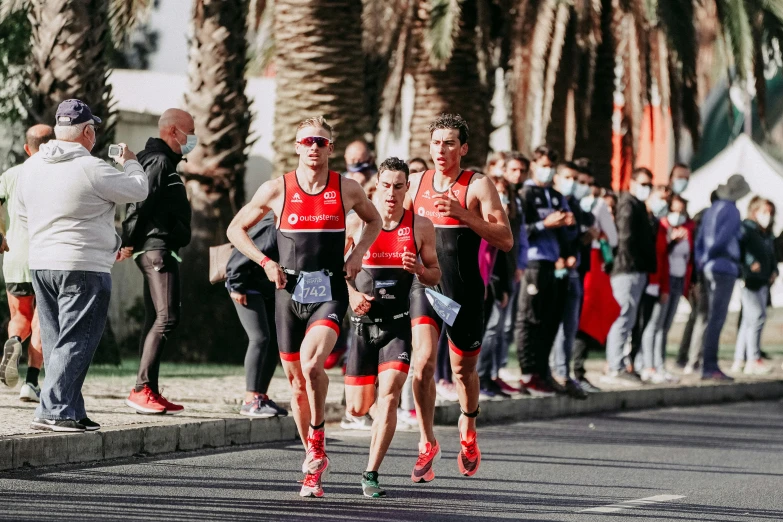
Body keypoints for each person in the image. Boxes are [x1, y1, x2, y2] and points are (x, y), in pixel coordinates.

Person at [227, 116, 382, 498]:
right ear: (297, 147)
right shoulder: (277, 188)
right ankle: (313, 456)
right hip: (287, 292)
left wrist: (358, 253)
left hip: (328, 289)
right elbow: (235, 229)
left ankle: (316, 439)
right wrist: (265, 263)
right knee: (297, 384)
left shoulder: (346, 188)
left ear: (331, 148)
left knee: (313, 366)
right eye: (307, 141)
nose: (314, 147)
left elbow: (373, 219)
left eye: (322, 142)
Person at [17, 99, 148, 432]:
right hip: (83, 265)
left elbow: (21, 215)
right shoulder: (92, 168)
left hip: (42, 263)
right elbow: (139, 189)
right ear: (88, 131)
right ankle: (55, 410)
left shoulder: (31, 168)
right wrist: (131, 162)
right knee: (77, 339)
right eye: (94, 130)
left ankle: (72, 408)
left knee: (56, 337)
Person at [405, 113, 512, 482]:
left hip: (464, 290)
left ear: (463, 148)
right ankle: (426, 440)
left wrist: (465, 215)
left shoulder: (478, 185)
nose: (441, 149)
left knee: (464, 370)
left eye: (449, 142)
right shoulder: (415, 182)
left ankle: (468, 430)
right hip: (426, 286)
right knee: (421, 363)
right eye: (436, 142)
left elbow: (505, 239)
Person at [343, 157, 440, 498]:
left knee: (389, 395)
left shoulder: (420, 227)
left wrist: (419, 270)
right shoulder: (356, 225)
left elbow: (435, 274)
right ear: (376, 187)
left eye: (400, 186)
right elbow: (337, 273)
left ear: (407, 189)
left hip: (397, 327)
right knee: (357, 406)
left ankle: (371, 473)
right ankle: (370, 414)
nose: (392, 193)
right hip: (361, 326)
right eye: (386, 185)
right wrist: (353, 294)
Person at [120, 108, 195, 415]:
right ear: (173, 132)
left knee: (155, 319)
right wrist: (127, 240)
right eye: (190, 131)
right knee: (167, 319)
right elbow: (141, 202)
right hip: (156, 249)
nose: (193, 138)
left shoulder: (164, 161)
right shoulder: (159, 161)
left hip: (159, 247)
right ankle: (141, 389)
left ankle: (148, 388)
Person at [515, 145, 575, 396]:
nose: (547, 171)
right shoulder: (525, 194)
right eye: (543, 165)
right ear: (534, 165)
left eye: (551, 166)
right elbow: (520, 231)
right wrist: (544, 224)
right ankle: (528, 372)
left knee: (551, 319)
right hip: (533, 262)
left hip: (555, 264)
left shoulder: (557, 196)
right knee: (530, 318)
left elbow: (568, 233)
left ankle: (543, 371)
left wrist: (569, 227)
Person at [0, 125, 54, 401]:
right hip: (47, 255)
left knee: (20, 316)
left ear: (26, 148)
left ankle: (12, 342)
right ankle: (31, 383)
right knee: (42, 319)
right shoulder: (54, 172)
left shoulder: (10, 175)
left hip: (15, 255)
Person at [225, 213, 289, 417]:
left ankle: (261, 396)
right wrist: (236, 286)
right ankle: (250, 399)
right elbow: (239, 255)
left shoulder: (293, 225)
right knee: (260, 337)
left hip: (267, 288)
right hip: (245, 286)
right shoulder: (271, 226)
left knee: (274, 341)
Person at [602, 168, 657, 385]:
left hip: (635, 269)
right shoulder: (628, 204)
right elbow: (624, 237)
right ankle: (615, 366)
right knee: (623, 316)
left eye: (649, 185)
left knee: (629, 318)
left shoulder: (638, 205)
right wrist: (628, 263)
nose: (646, 189)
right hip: (627, 269)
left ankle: (619, 363)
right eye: (643, 183)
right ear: (632, 182)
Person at [695, 174, 750, 381]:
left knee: (709, 317)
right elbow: (723, 239)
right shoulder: (732, 211)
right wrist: (712, 254)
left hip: (708, 267)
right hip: (724, 267)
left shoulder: (711, 211)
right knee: (717, 318)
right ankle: (710, 365)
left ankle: (704, 362)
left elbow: (700, 240)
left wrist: (702, 259)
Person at [570, 159, 618, 392]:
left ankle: (573, 370)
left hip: (582, 265)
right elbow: (613, 237)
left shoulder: (578, 206)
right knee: (581, 318)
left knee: (577, 318)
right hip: (581, 267)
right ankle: (573, 370)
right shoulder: (593, 205)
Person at [639, 195, 694, 383]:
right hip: (663, 280)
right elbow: (660, 256)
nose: (677, 215)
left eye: (681, 212)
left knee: (665, 326)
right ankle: (649, 365)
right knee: (655, 325)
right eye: (674, 211)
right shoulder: (661, 228)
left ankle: (659, 365)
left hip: (677, 280)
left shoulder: (686, 229)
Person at [549, 162, 592, 399]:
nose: (573, 183)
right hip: (554, 269)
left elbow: (578, 233)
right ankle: (554, 372)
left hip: (574, 270)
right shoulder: (550, 201)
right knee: (552, 325)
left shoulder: (573, 204)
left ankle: (564, 373)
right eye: (569, 177)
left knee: (569, 326)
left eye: (577, 179)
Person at [478, 177, 524, 398]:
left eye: (505, 193)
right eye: (498, 193)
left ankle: (488, 374)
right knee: (488, 330)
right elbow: (481, 255)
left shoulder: (505, 220)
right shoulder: (481, 219)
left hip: (496, 281)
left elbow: (504, 253)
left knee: (496, 330)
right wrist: (484, 282)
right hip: (485, 281)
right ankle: (479, 376)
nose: (502, 198)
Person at [627, 184, 670, 374]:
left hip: (654, 281)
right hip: (640, 277)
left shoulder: (658, 224)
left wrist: (663, 286)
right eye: (659, 198)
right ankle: (630, 362)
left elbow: (662, 257)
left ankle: (641, 362)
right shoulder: (640, 219)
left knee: (646, 324)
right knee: (634, 323)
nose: (663, 203)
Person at [732, 197, 777, 375]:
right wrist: (749, 264)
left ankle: (739, 359)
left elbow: (771, 254)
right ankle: (753, 359)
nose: (768, 216)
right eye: (764, 212)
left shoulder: (764, 233)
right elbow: (741, 251)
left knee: (748, 322)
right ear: (754, 211)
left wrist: (773, 270)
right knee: (757, 318)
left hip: (763, 280)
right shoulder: (746, 229)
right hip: (750, 280)